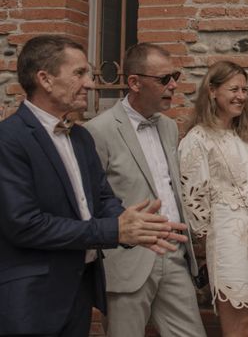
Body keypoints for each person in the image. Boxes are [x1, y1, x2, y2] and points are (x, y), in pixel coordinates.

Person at [0, 35, 188, 337]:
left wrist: (136, 228)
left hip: (79, 290)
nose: (89, 83)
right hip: (31, 297)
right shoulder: (9, 140)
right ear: (45, 79)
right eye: (79, 73)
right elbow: (24, 225)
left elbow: (102, 199)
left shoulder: (81, 137)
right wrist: (113, 231)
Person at [85, 43, 206, 337]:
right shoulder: (98, 130)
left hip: (174, 253)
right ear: (134, 82)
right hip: (127, 261)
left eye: (174, 76)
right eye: (164, 79)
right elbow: (92, 202)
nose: (173, 85)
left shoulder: (168, 126)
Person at [178, 60, 248, 337]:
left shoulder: (246, 137)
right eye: (234, 89)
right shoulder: (198, 138)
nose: (241, 95)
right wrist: (217, 234)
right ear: (212, 91)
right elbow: (194, 203)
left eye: (245, 90)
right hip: (230, 244)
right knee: (241, 329)